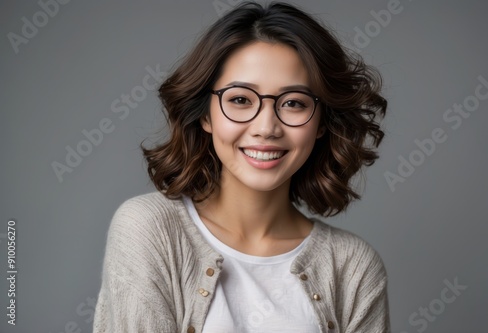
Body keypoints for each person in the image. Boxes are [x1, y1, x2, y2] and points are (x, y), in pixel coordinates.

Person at [93, 2, 390, 332]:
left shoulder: (354, 266)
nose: (266, 127)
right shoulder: (149, 230)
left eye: (293, 103)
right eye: (240, 99)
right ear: (205, 114)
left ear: (321, 123)